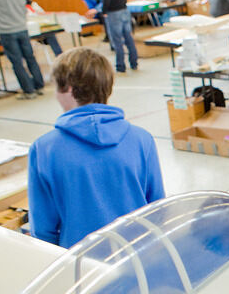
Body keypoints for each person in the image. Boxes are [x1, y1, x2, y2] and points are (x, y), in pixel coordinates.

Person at [28, 47, 164, 248]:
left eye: (56, 88)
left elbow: (43, 229)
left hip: (81, 265)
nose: (55, 96)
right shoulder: (142, 139)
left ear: (70, 90)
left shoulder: (44, 149)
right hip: (138, 256)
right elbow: (158, 210)